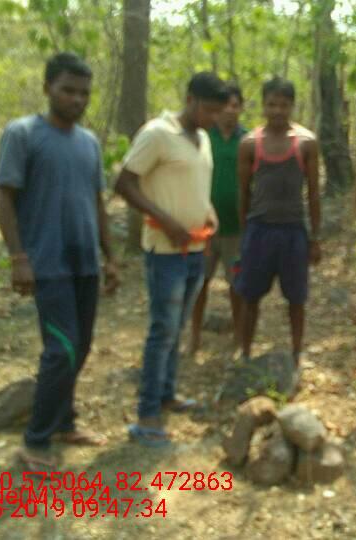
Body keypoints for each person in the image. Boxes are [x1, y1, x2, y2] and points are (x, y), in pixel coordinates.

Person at [0, 52, 120, 469]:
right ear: (47, 87)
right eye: (68, 90)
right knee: (61, 349)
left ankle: (64, 421)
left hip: (84, 261)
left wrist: (111, 257)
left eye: (84, 93)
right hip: (47, 262)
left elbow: (97, 203)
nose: (77, 99)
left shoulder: (89, 142)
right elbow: (5, 197)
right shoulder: (23, 134)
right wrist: (18, 257)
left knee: (79, 347)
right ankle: (34, 442)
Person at [114, 72, 229, 447]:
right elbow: (124, 183)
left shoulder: (203, 139)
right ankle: (147, 414)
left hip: (196, 248)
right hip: (165, 252)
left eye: (218, 112)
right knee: (162, 329)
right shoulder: (157, 134)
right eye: (209, 110)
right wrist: (166, 221)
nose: (214, 118)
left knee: (177, 327)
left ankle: (166, 394)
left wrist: (207, 212)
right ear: (190, 99)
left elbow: (193, 186)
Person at [235, 76, 321, 378]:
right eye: (272, 105)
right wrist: (244, 234)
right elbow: (243, 193)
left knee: (296, 298)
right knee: (250, 296)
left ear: (292, 106)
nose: (277, 111)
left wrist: (315, 237)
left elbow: (313, 193)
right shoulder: (249, 144)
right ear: (263, 106)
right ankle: (245, 352)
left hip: (293, 230)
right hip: (259, 230)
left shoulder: (306, 143)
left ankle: (297, 352)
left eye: (283, 105)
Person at [190, 83, 247, 354]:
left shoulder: (248, 140)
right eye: (224, 106)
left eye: (235, 105)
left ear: (241, 108)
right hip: (203, 227)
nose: (229, 111)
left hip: (236, 229)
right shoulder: (203, 137)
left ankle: (239, 336)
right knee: (199, 282)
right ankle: (194, 336)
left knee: (237, 284)